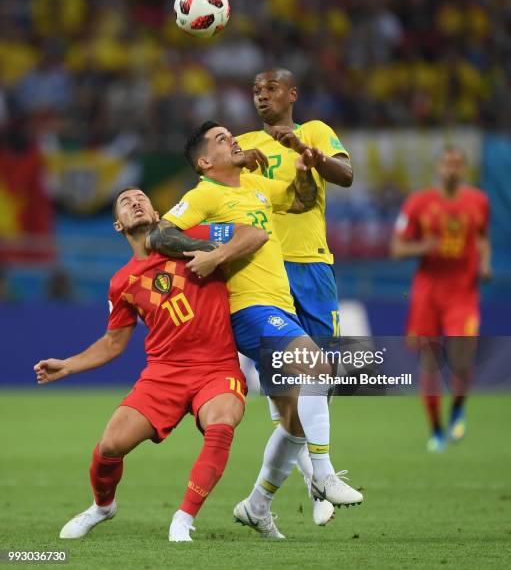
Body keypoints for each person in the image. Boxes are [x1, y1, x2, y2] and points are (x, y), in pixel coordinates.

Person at [155, 121, 363, 539]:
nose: (230, 139)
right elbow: (162, 233)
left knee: (293, 422)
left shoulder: (254, 188)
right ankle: (322, 476)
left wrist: (306, 169)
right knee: (320, 371)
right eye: (219, 139)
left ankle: (257, 505)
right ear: (204, 161)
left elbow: (301, 203)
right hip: (247, 308)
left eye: (230, 135)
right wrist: (212, 252)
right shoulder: (205, 193)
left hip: (277, 305)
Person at [34, 187, 268, 542]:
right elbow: (114, 342)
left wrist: (217, 255)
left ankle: (183, 518)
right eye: (126, 203)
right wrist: (68, 366)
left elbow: (255, 234)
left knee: (221, 422)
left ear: (157, 214)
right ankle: (102, 506)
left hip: (217, 367)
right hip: (164, 375)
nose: (135, 202)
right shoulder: (121, 282)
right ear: (117, 225)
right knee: (110, 446)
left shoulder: (194, 238)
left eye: (142, 198)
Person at [236, 68, 353, 525]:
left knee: (321, 386)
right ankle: (318, 480)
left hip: (314, 268)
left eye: (270, 89)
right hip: (266, 272)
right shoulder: (245, 143)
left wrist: (305, 152)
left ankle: (265, 501)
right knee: (287, 391)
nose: (261, 96)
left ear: (291, 94)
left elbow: (344, 175)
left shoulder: (316, 131)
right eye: (255, 90)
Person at [391, 147, 491, 452]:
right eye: (448, 164)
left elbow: (482, 238)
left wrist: (485, 262)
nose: (452, 169)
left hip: (462, 291)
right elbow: (397, 249)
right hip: (428, 292)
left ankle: (458, 408)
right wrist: (423, 246)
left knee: (462, 361)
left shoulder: (479, 202)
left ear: (464, 170)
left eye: (458, 164)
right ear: (438, 167)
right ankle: (436, 431)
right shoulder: (418, 203)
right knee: (430, 364)